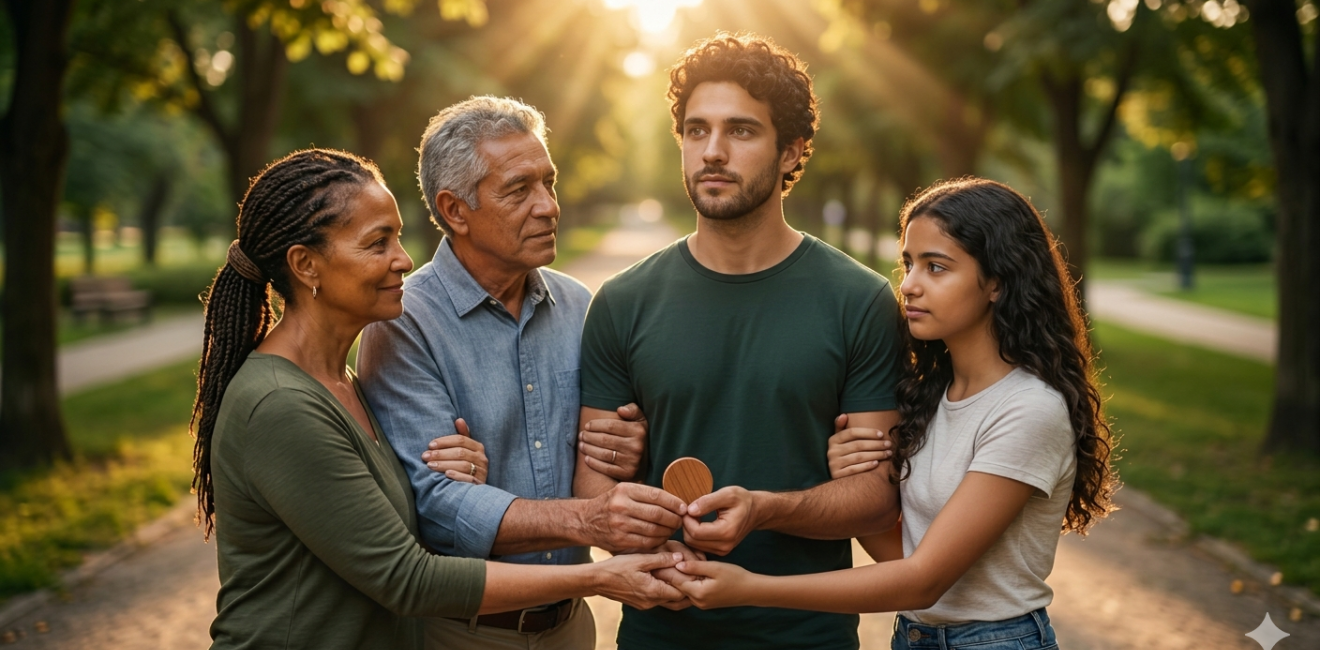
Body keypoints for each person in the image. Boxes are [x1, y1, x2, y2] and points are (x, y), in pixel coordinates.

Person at [191, 148, 684, 650]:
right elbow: (407, 578)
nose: (404, 260)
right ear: (306, 265)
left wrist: (453, 466)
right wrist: (597, 578)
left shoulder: (343, 385)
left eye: (398, 238)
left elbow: (378, 512)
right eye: (377, 243)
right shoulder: (280, 405)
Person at [670, 178, 1119, 650]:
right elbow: (904, 554)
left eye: (936, 267)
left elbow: (922, 580)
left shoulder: (1028, 409)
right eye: (908, 263)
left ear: (997, 282)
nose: (908, 285)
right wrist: (851, 476)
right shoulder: (932, 395)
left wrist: (749, 588)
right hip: (915, 636)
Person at [574, 33, 904, 650]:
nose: (713, 152)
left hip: (808, 636)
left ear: (791, 152)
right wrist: (639, 514)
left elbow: (874, 499)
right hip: (660, 635)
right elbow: (594, 492)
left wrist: (766, 507)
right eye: (696, 131)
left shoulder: (858, 301)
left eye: (742, 131)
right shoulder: (622, 302)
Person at [354, 97, 688, 649]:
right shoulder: (404, 323)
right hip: (463, 632)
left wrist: (627, 448)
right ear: (455, 210)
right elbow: (439, 507)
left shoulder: (579, 306)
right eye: (519, 189)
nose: (549, 206)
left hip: (571, 627)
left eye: (549, 184)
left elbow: (605, 455)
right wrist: (588, 521)